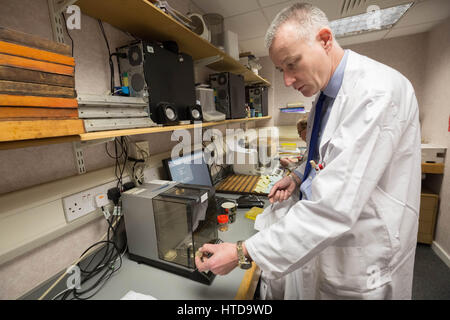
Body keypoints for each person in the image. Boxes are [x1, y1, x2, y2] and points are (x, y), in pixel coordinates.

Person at [195, 2, 421, 300]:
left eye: (292, 64)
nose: (287, 80)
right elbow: (324, 157)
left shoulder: (375, 94)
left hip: (363, 256)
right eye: (280, 69)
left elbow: (333, 207)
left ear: (325, 40)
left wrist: (241, 251)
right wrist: (299, 176)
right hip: (327, 243)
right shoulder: (325, 98)